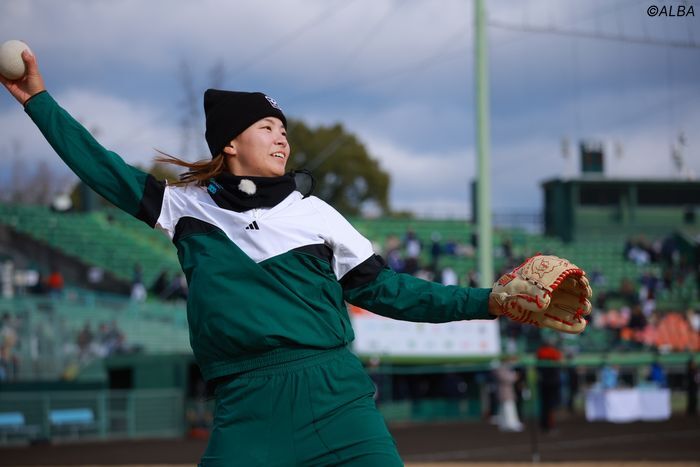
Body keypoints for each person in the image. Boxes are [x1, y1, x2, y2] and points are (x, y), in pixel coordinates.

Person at [3, 50, 512, 466]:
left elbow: (393, 290)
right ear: (230, 141)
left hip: (335, 400)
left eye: (284, 130)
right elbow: (101, 167)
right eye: (268, 127)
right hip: (244, 412)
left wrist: (490, 300)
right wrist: (39, 102)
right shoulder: (185, 209)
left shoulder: (317, 214)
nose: (282, 137)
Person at [494, 355, 524, 432]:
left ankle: (510, 424)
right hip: (504, 393)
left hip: (508, 392)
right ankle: (510, 424)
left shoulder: (506, 368)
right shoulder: (500, 368)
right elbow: (507, 378)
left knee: (509, 408)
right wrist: (515, 376)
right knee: (507, 408)